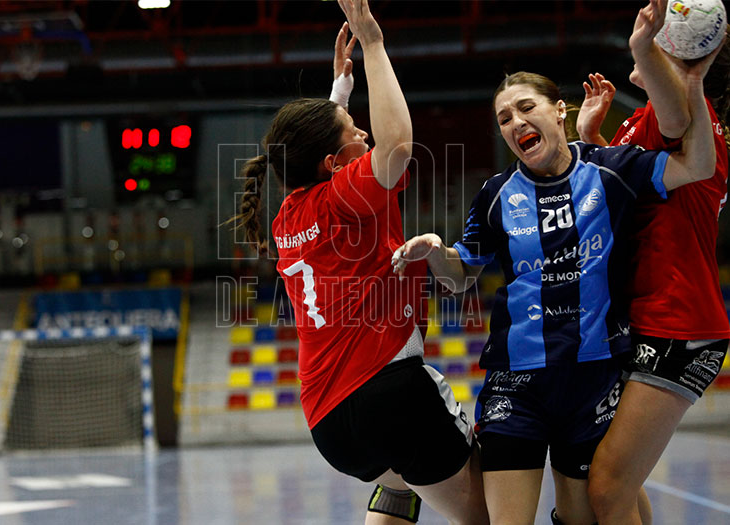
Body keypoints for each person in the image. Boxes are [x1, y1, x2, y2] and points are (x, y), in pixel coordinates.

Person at [391, 53, 717, 523]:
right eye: (505, 118)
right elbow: (459, 277)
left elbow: (698, 165)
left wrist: (694, 82)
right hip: (517, 383)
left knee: (586, 514)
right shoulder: (496, 194)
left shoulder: (611, 169)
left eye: (526, 108)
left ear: (559, 110)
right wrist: (436, 251)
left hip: (592, 379)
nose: (515, 122)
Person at [226, 1, 487, 523]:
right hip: (389, 390)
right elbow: (398, 145)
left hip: (329, 424)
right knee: (490, 510)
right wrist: (373, 43)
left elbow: (314, 157)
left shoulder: (287, 218)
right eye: (354, 129)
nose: (366, 135)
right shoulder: (345, 197)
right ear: (334, 164)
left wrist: (339, 96)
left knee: (402, 488)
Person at [575, 1, 730, 523]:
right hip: (647, 319)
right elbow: (621, 195)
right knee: (614, 483)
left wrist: (644, 45)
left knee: (607, 486)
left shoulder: (687, 117)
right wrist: (593, 140)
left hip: (678, 323)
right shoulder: (639, 124)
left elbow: (677, 113)